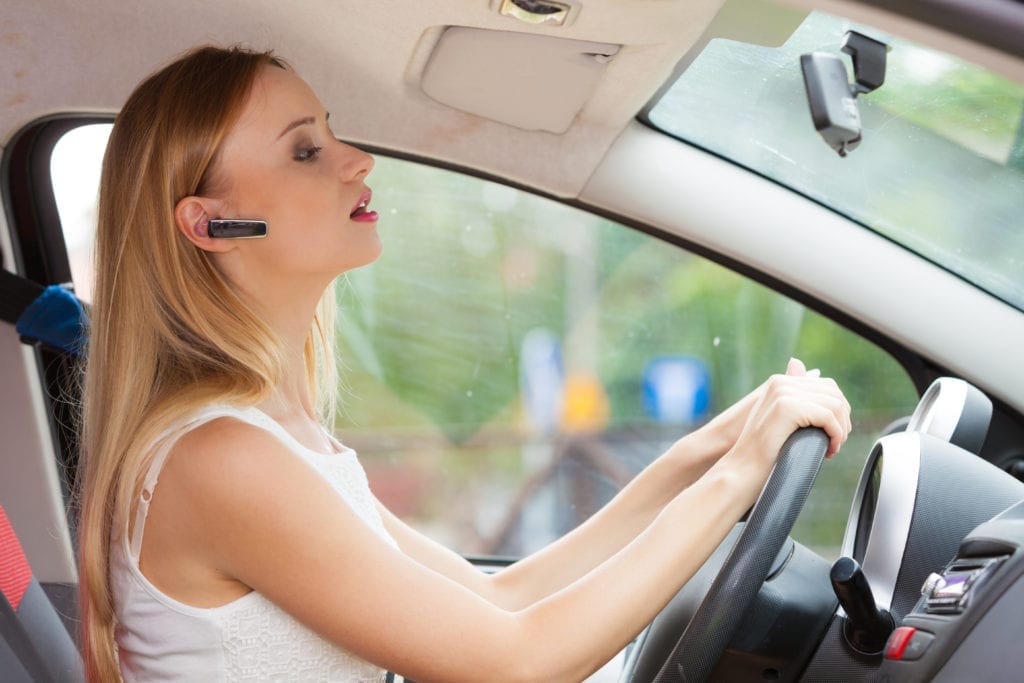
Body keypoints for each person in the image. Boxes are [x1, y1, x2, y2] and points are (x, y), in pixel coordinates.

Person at [76, 45, 852, 682]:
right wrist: (735, 479)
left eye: (330, 134)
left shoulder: (281, 440)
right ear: (211, 224)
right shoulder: (222, 459)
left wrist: (707, 451)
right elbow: (514, 661)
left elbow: (498, 596)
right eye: (306, 150)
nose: (355, 160)